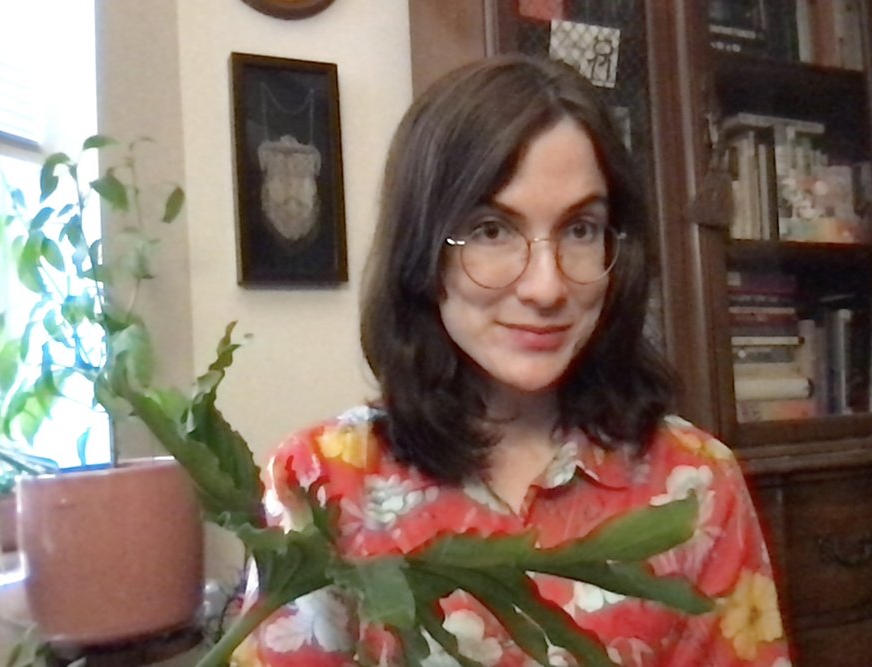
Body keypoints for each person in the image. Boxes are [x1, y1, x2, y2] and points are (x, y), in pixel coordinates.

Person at [232, 54, 790, 666]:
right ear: (423, 249)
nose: (546, 288)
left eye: (580, 230)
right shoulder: (319, 482)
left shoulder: (695, 482)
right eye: (493, 230)